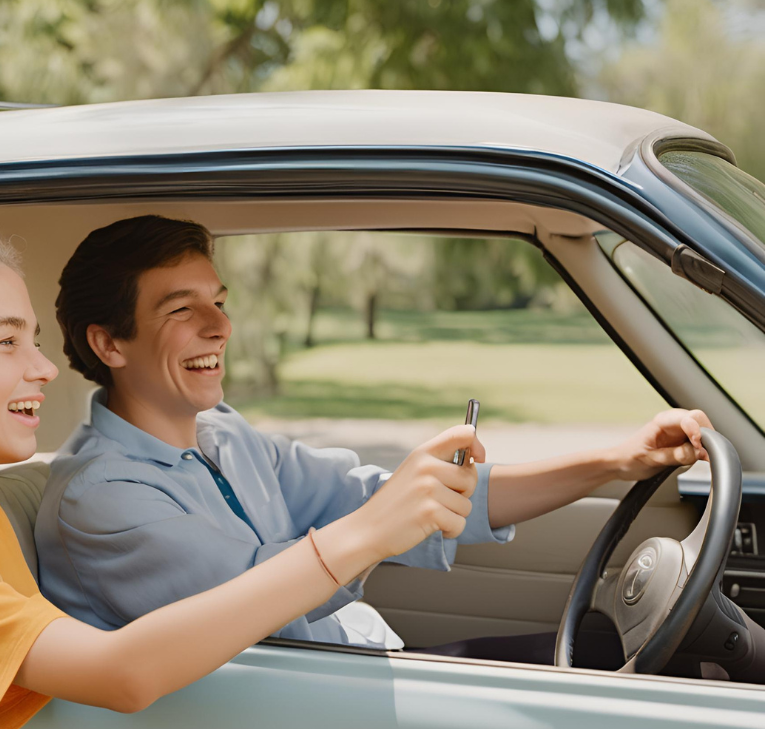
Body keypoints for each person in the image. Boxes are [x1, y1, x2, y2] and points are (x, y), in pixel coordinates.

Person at [0, 223, 488, 729]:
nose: (41, 367)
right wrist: (363, 534)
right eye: (6, 342)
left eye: (33, 340)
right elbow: (119, 674)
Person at [36, 214, 712, 654]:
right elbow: (257, 600)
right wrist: (388, 518)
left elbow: (378, 496)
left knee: (613, 643)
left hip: (369, 664)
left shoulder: (223, 433)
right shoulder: (99, 498)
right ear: (109, 342)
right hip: (314, 705)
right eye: (183, 309)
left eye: (219, 301)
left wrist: (618, 457)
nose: (220, 327)